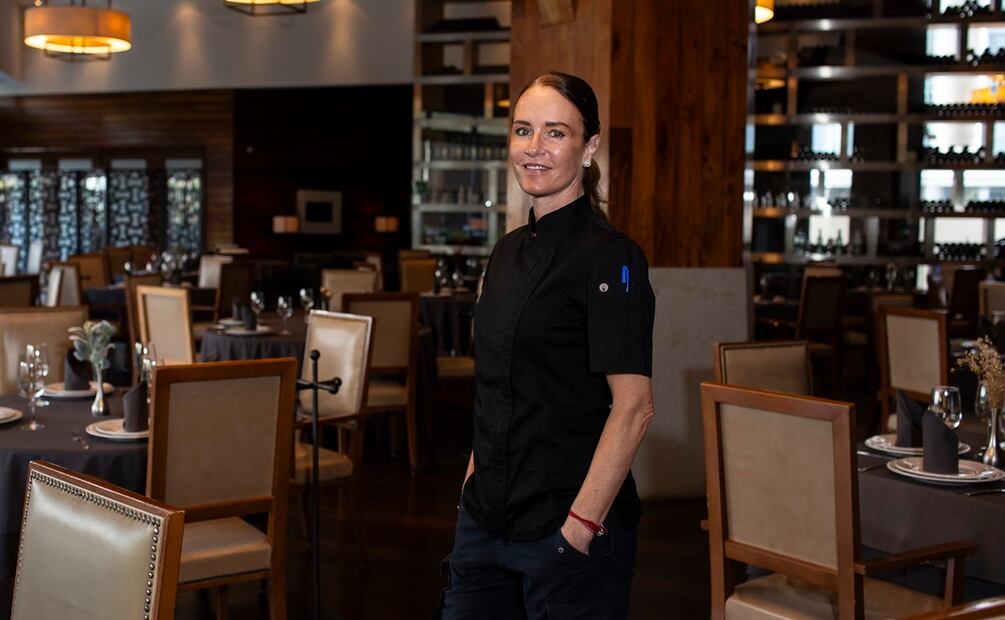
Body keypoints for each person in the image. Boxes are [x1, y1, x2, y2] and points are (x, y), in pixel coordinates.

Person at [436, 72, 656, 619]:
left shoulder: (611, 256)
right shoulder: (505, 252)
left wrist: (578, 530)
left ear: (589, 147)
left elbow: (634, 408)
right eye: (523, 130)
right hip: (484, 526)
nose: (534, 147)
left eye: (555, 132)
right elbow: (495, 388)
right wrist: (470, 493)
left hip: (564, 529)